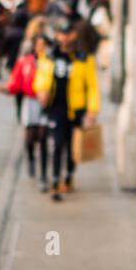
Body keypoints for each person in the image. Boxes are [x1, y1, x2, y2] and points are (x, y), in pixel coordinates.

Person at [32, 12, 100, 201]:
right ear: (57, 36)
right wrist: (42, 91)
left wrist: (92, 108)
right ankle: (55, 180)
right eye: (61, 34)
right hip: (55, 107)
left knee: (72, 145)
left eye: (68, 34)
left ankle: (68, 176)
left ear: (74, 35)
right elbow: (41, 78)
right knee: (57, 143)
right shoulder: (50, 56)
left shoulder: (84, 58)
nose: (65, 38)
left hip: (75, 107)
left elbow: (92, 86)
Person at [0, 16, 48, 191]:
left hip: (45, 102)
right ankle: (30, 159)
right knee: (30, 136)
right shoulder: (26, 61)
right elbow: (17, 80)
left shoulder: (48, 62)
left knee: (43, 137)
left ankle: (43, 174)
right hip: (30, 101)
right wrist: (7, 88)